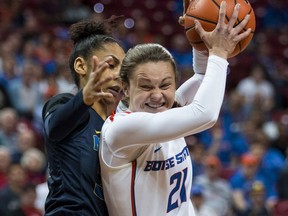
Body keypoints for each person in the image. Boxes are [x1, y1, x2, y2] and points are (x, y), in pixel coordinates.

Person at [99, 1, 252, 215]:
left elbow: (201, 76)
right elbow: (205, 114)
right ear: (124, 88)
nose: (157, 95)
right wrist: (219, 51)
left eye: (165, 85)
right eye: (145, 86)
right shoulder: (121, 129)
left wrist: (199, 30)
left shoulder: (164, 111)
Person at [41, 16, 125, 215]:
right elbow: (54, 127)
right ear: (81, 66)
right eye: (111, 65)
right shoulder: (63, 104)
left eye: (124, 68)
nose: (119, 75)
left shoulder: (117, 124)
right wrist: (84, 98)